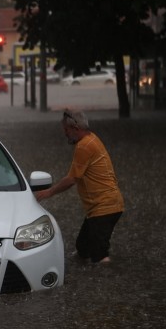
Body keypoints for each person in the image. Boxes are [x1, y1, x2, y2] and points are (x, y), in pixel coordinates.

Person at [35, 109, 124, 264]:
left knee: (100, 257)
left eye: (66, 130)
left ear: (75, 128)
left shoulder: (84, 146)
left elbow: (71, 179)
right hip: (102, 207)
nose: (65, 134)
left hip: (104, 207)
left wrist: (48, 192)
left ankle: (107, 283)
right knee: (82, 248)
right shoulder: (92, 139)